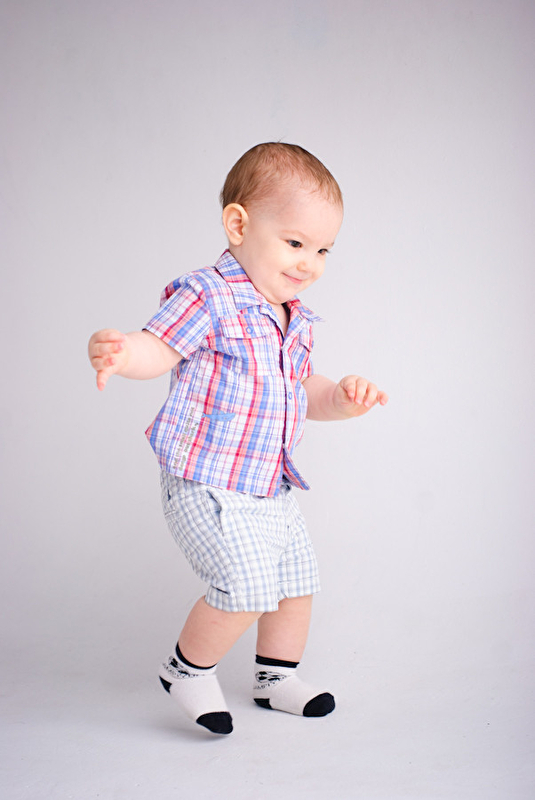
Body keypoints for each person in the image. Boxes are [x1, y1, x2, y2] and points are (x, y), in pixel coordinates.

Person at [88, 142, 388, 735]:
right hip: (208, 481)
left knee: (296, 584)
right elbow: (159, 347)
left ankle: (275, 679)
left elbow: (303, 389)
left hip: (268, 485)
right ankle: (186, 669)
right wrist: (124, 352)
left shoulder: (293, 316)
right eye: (295, 243)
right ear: (238, 225)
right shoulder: (208, 294)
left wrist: (339, 398)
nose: (309, 263)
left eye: (323, 250)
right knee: (247, 586)